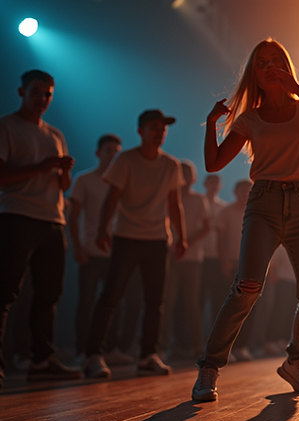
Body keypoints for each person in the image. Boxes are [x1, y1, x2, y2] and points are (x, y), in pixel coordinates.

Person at [193, 38, 299, 401]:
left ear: (286, 67)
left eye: (276, 61)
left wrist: (296, 88)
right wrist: (212, 124)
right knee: (248, 288)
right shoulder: (250, 118)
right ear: (254, 75)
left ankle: (296, 361)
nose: (270, 67)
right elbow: (213, 164)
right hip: (264, 202)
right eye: (262, 63)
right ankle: (210, 367)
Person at [82, 109, 186, 379]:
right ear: (140, 131)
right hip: (126, 236)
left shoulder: (171, 165)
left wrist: (182, 237)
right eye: (154, 127)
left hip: (157, 239)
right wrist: (103, 229)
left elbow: (174, 204)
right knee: (111, 296)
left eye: (163, 128)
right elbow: (113, 197)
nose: (160, 132)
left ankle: (147, 355)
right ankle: (93, 354)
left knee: (155, 301)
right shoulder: (125, 159)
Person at [0, 69, 81, 389]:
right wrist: (43, 166)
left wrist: (63, 172)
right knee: (5, 292)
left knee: (49, 294)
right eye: (36, 92)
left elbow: (62, 186)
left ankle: (41, 360)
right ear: (21, 91)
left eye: (48, 94)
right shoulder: (6, 127)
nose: (42, 99)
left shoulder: (55, 134)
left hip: (53, 220)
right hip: (17, 215)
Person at [68, 134, 134, 363]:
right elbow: (73, 216)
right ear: (98, 153)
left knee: (115, 302)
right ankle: (82, 351)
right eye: (108, 150)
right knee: (86, 302)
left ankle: (111, 349)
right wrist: (78, 246)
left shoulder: (125, 181)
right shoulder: (84, 179)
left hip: (116, 253)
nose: (113, 154)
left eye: (117, 150)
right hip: (90, 251)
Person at [160, 160, 210, 361]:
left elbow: (206, 227)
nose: (185, 178)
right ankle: (162, 347)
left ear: (194, 178)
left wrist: (186, 242)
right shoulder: (167, 197)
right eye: (182, 173)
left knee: (192, 304)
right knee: (167, 302)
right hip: (170, 255)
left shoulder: (199, 200)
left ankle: (198, 347)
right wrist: (173, 243)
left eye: (188, 174)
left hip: (192, 259)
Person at [199, 174, 228, 330]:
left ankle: (215, 337)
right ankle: (191, 341)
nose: (214, 185)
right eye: (211, 181)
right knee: (198, 299)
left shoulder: (223, 208)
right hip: (198, 257)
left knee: (218, 300)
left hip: (217, 259)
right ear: (204, 183)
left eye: (217, 182)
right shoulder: (198, 201)